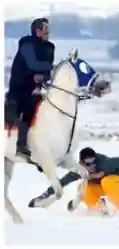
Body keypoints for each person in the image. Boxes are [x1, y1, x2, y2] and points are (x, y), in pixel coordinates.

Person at [6, 17, 54, 159]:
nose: (48, 32)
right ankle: (21, 145)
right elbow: (33, 64)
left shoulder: (49, 47)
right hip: (20, 87)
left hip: (37, 88)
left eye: (48, 29)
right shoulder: (26, 44)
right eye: (45, 29)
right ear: (37, 30)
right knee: (28, 107)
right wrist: (48, 67)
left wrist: (43, 77)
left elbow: (46, 73)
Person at [78, 147, 119, 213]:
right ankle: (97, 208)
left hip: (114, 180)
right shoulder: (80, 168)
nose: (91, 162)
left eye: (92, 159)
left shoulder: (104, 161)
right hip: (99, 185)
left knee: (106, 182)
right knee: (82, 187)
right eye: (88, 161)